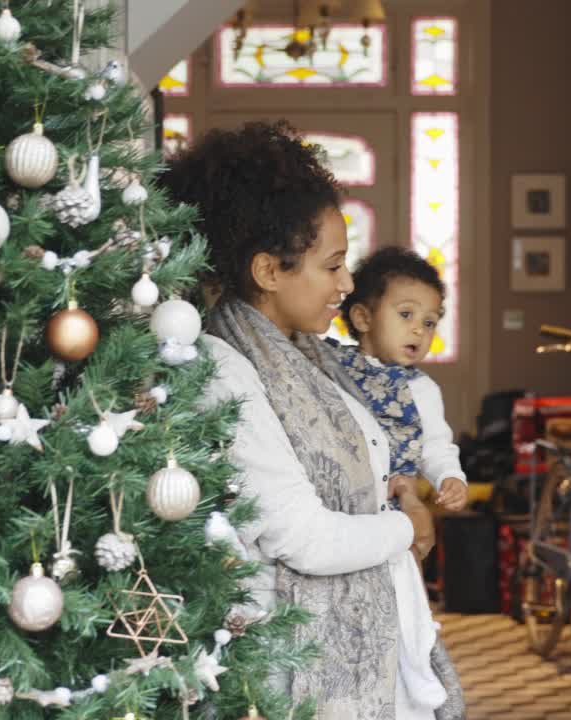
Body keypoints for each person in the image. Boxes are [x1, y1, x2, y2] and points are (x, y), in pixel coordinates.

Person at [160, 120, 463, 720]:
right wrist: (409, 527)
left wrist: (398, 488)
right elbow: (299, 535)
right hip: (296, 666)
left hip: (369, 643)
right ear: (268, 271)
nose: (348, 284)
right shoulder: (226, 368)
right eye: (332, 266)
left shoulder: (312, 355)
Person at [330, 246, 469, 517]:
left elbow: (436, 446)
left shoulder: (421, 389)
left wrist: (450, 476)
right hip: (337, 508)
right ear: (363, 318)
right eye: (406, 314)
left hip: (392, 510)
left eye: (429, 322)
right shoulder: (330, 366)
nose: (419, 329)